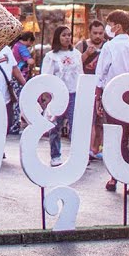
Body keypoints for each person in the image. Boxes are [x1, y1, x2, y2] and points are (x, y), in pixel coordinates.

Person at [94, 10, 129, 196]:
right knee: (121, 136)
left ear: (117, 26)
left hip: (113, 93)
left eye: (109, 24)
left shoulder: (110, 47)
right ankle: (115, 176)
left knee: (116, 139)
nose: (108, 28)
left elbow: (100, 74)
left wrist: (98, 97)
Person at [39, 26, 82, 167]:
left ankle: (77, 156)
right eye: (64, 35)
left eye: (69, 35)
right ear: (58, 37)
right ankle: (55, 155)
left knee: (75, 125)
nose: (67, 38)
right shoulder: (51, 56)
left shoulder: (76, 54)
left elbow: (80, 74)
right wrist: (47, 94)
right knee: (55, 126)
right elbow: (46, 76)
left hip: (73, 93)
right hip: (57, 94)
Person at [76, 21, 107, 160]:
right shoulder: (81, 45)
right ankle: (87, 148)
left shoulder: (108, 46)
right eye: (95, 33)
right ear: (90, 32)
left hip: (102, 86)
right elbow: (75, 64)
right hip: (86, 86)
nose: (98, 36)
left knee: (101, 120)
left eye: (101, 33)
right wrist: (86, 54)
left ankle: (97, 148)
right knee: (88, 119)